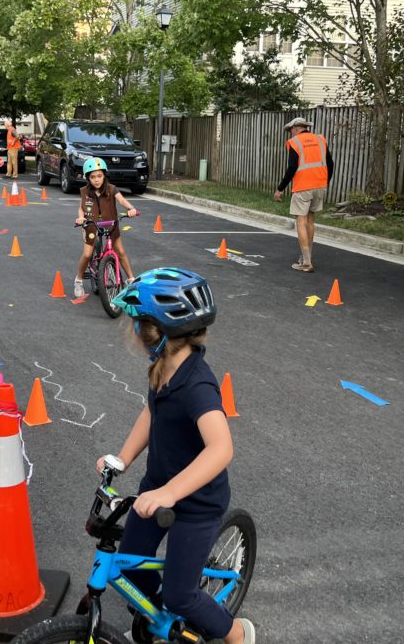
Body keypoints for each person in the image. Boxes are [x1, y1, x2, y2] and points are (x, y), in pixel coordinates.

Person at [102, 268, 255, 644]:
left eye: (135, 323)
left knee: (180, 593)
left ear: (151, 332)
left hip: (196, 504)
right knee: (131, 565)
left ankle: (236, 632)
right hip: (156, 487)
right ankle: (159, 619)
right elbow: (151, 413)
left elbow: (222, 448)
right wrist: (123, 459)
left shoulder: (197, 383)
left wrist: (171, 492)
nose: (132, 332)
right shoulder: (162, 369)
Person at [273, 116, 333, 272]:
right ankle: (307, 257)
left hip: (302, 187)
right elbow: (330, 163)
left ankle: (306, 262)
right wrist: (325, 181)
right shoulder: (320, 139)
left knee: (300, 221)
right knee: (310, 220)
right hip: (319, 184)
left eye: (290, 130)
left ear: (295, 128)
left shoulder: (295, 142)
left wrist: (280, 189)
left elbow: (292, 167)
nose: (290, 134)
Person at [73, 157, 139, 299]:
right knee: (87, 254)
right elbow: (81, 209)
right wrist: (81, 218)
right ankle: (78, 280)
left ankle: (131, 281)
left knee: (120, 252)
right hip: (90, 224)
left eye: (99, 176)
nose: (96, 180)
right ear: (88, 178)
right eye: (92, 177)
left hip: (110, 224)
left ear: (104, 175)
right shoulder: (85, 191)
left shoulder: (111, 189)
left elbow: (121, 200)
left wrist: (131, 208)